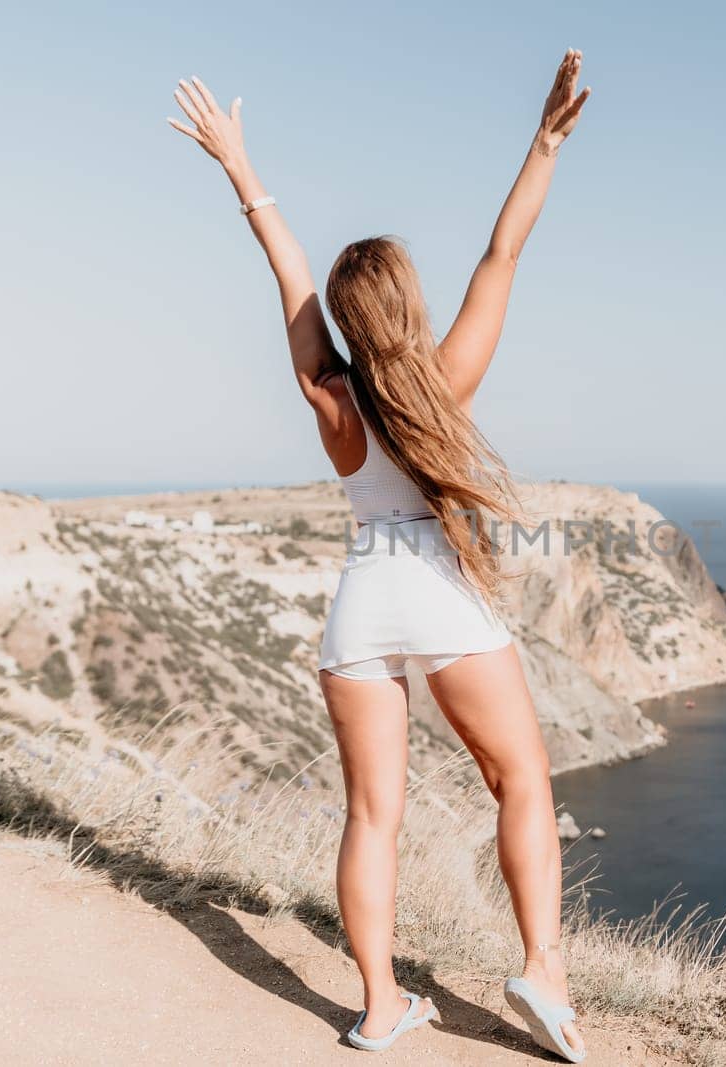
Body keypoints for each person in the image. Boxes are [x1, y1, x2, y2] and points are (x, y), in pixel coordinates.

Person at [168, 49, 591, 1061]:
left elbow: (288, 269)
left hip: (359, 598)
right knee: (522, 777)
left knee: (371, 814)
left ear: (352, 323)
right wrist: (542, 143)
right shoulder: (443, 385)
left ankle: (376, 1006)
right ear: (406, 302)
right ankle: (542, 968)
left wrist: (238, 164)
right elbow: (504, 253)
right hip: (440, 595)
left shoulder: (329, 395)